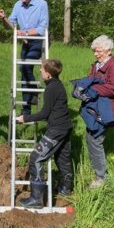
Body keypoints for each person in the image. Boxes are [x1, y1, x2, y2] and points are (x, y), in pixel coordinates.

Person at [17, 59, 73, 208]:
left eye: (42, 69)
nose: (40, 71)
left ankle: (36, 199)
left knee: (36, 158)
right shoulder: (57, 85)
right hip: (65, 127)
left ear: (48, 74)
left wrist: (25, 118)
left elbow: (44, 113)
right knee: (62, 158)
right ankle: (66, 189)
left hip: (57, 130)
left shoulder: (51, 89)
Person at [72, 35, 114, 189]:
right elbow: (90, 80)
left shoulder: (113, 66)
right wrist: (80, 88)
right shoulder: (97, 65)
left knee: (95, 140)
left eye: (98, 51)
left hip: (105, 110)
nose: (95, 53)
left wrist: (93, 89)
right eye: (94, 51)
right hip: (94, 109)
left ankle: (102, 178)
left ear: (108, 50)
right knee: (91, 138)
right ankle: (99, 173)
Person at [0, 0, 49, 115]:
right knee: (23, 69)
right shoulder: (17, 5)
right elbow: (11, 26)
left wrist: (24, 32)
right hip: (25, 42)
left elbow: (42, 29)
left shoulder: (42, 4)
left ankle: (32, 96)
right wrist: (4, 18)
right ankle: (26, 109)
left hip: (38, 41)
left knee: (26, 66)